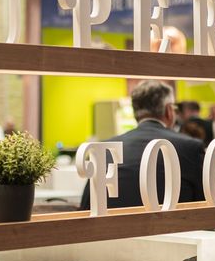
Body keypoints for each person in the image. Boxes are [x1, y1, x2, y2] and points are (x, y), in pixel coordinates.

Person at [79, 80, 206, 210]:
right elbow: (208, 205)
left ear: (135, 113)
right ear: (169, 111)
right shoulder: (190, 148)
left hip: (113, 223)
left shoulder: (105, 148)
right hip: (175, 223)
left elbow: (87, 206)